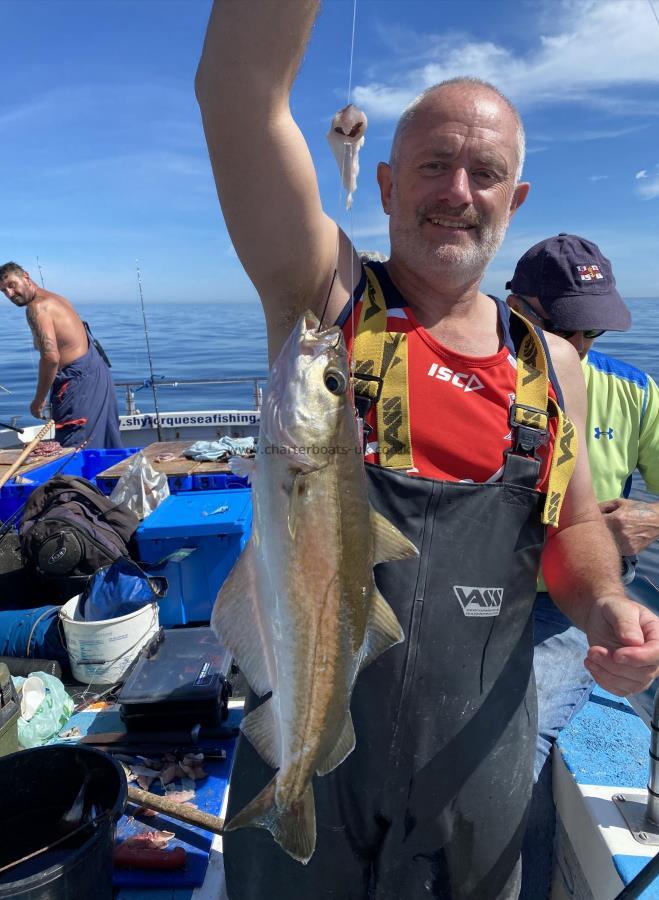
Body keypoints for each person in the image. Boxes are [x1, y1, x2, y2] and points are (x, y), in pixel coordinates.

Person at [195, 4, 659, 897]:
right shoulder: (325, 300)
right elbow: (238, 94)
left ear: (513, 199)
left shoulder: (549, 366)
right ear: (384, 184)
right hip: (317, 747)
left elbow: (571, 527)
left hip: (476, 762)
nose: (458, 189)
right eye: (433, 164)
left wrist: (604, 601)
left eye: (484, 172)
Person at [504, 234, 659, 899]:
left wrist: (649, 520)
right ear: (514, 310)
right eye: (560, 326)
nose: (578, 342)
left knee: (516, 743)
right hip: (457, 597)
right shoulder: (467, 382)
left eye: (590, 325)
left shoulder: (633, 390)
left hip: (560, 606)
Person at [0, 262, 122, 449]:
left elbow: (51, 357)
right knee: (105, 443)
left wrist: (38, 400)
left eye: (12, 285)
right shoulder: (57, 299)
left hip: (78, 384)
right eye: (3, 291)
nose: (10, 294)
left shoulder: (36, 308)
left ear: (26, 277)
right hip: (98, 376)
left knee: (74, 449)